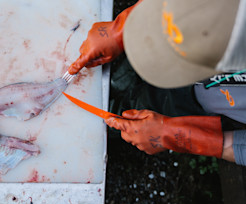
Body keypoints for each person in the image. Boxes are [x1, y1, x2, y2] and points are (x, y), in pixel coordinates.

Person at [67, 0, 246, 166]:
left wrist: (176, 135)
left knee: (124, 114)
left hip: (200, 104)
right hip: (175, 41)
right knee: (125, 70)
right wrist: (121, 28)